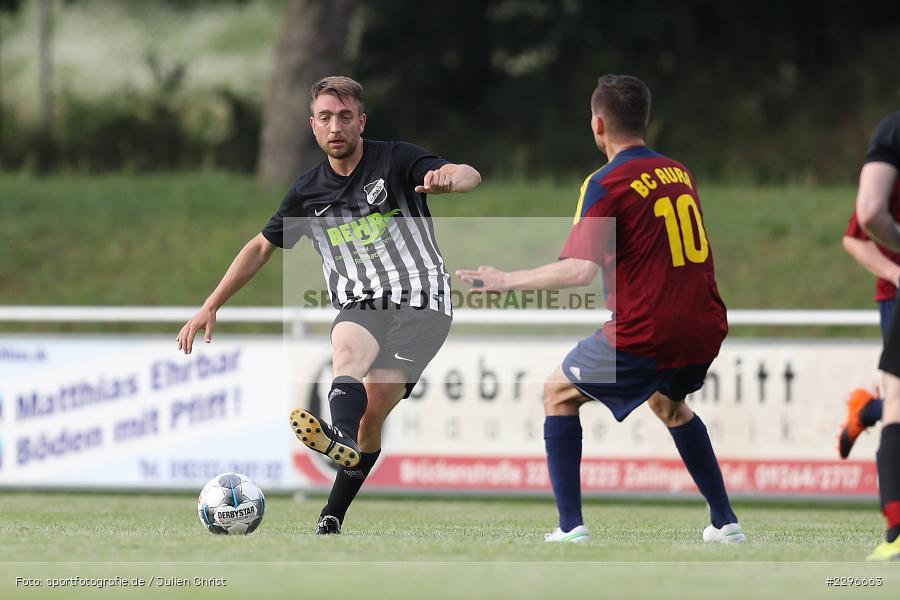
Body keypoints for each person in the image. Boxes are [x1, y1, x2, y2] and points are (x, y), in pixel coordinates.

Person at [177, 75, 481, 535]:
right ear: (312, 127)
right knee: (346, 348)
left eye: (344, 117)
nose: (335, 126)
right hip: (362, 302)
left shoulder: (396, 159)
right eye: (325, 118)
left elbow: (468, 173)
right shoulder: (306, 192)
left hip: (423, 303)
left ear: (361, 121)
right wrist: (211, 304)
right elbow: (261, 247)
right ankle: (333, 498)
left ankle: (335, 495)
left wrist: (447, 180)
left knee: (372, 416)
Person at [457, 74, 744, 544]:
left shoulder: (606, 182)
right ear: (645, 121)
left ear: (597, 124)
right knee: (669, 405)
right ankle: (725, 522)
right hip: (705, 323)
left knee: (557, 393)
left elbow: (578, 272)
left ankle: (570, 527)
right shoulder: (679, 171)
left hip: (647, 330)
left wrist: (504, 280)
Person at [854, 109, 900, 561]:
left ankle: (867, 409)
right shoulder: (891, 136)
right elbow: (857, 231)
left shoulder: (891, 133)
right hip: (894, 294)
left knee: (897, 405)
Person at [837, 207, 900, 459]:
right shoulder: (886, 176)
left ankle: (869, 410)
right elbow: (853, 238)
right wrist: (896, 274)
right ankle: (868, 410)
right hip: (895, 299)